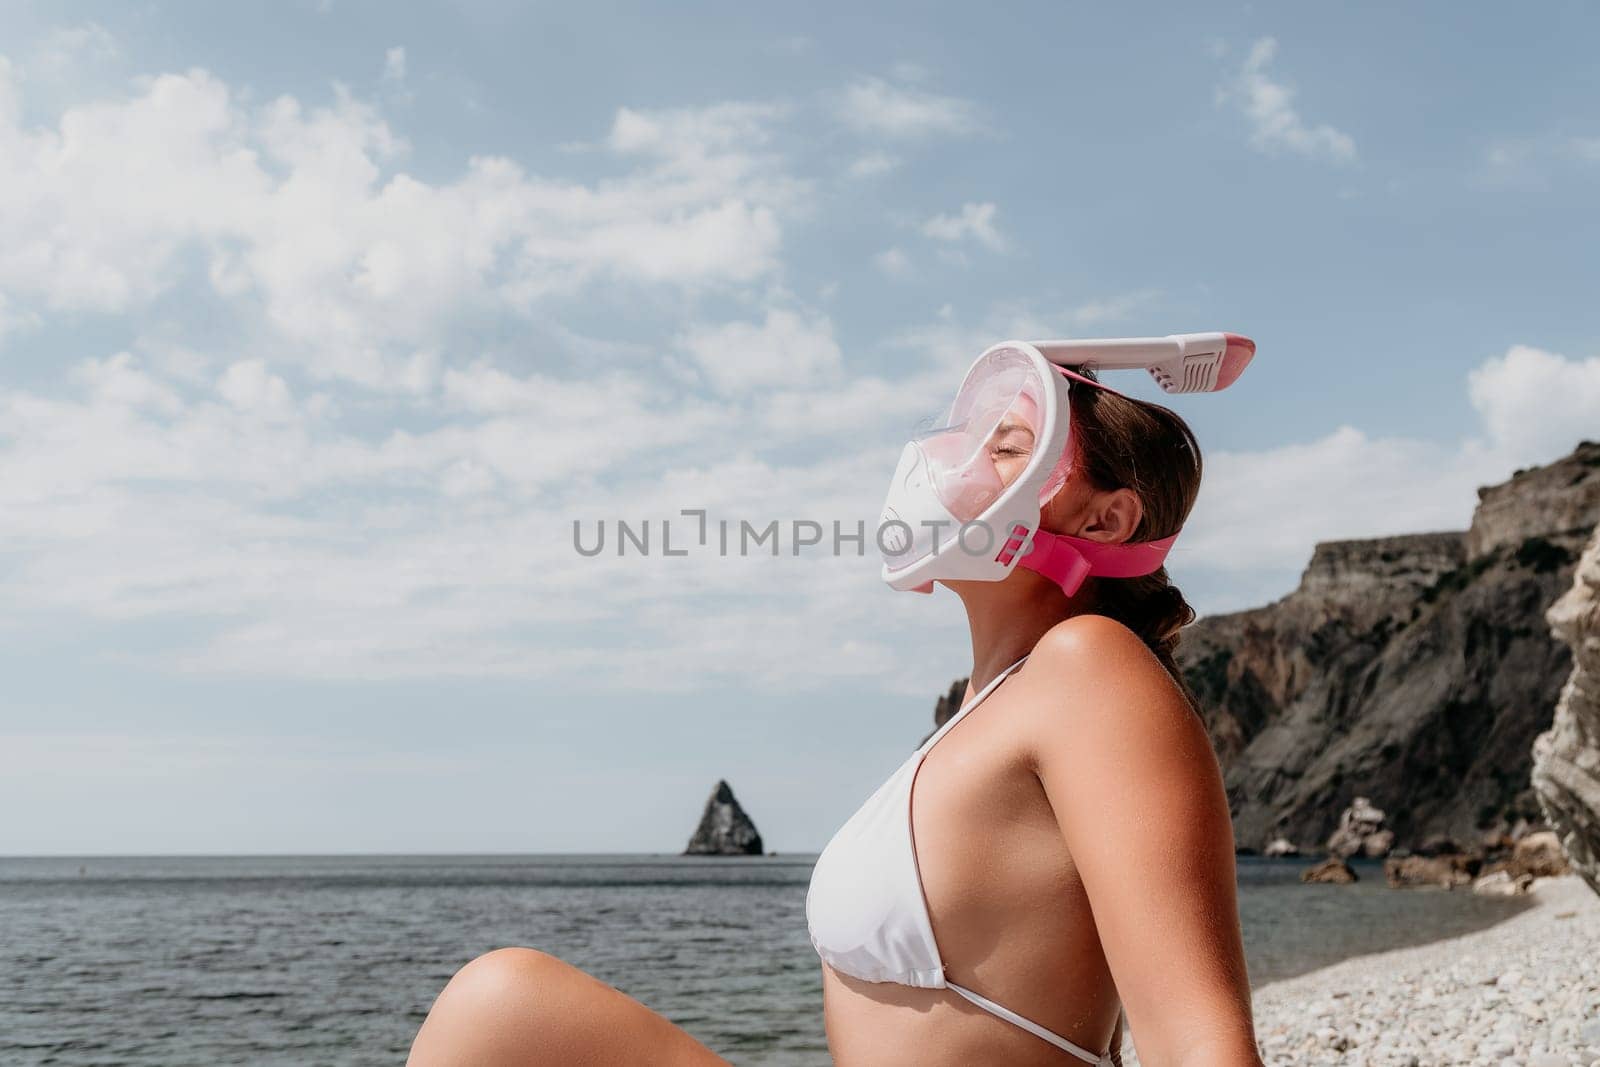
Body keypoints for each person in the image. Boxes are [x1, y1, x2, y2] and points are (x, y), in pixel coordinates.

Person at [407, 345, 1262, 1067]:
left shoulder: (1089, 665)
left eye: (1006, 450)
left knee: (497, 1004)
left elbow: (1200, 1041)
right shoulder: (985, 712)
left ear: (1106, 519)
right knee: (506, 1005)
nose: (958, 468)